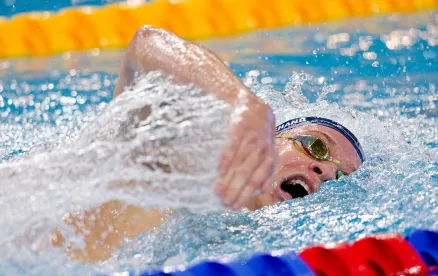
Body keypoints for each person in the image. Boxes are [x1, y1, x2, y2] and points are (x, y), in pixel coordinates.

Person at [51, 26, 364, 262]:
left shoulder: (242, 249)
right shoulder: (174, 168)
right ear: (271, 139)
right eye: (316, 146)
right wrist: (243, 103)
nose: (323, 169)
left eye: (340, 176)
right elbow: (145, 45)